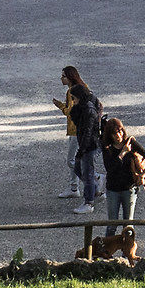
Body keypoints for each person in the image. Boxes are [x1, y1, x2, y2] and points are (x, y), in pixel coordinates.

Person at [53, 67, 103, 206]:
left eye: (63, 76)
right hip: (76, 130)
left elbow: (69, 111)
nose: (61, 78)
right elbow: (98, 105)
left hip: (77, 131)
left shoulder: (72, 91)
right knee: (76, 161)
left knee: (73, 161)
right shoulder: (81, 88)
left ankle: (95, 180)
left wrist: (60, 106)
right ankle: (74, 187)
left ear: (70, 77)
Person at [98, 116, 145, 240]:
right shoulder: (106, 147)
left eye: (120, 131)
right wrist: (123, 153)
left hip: (129, 189)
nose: (119, 135)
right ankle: (107, 252)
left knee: (128, 225)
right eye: (115, 133)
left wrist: (144, 174)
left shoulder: (130, 142)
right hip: (113, 189)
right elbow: (110, 168)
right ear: (110, 135)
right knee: (112, 224)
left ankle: (127, 255)